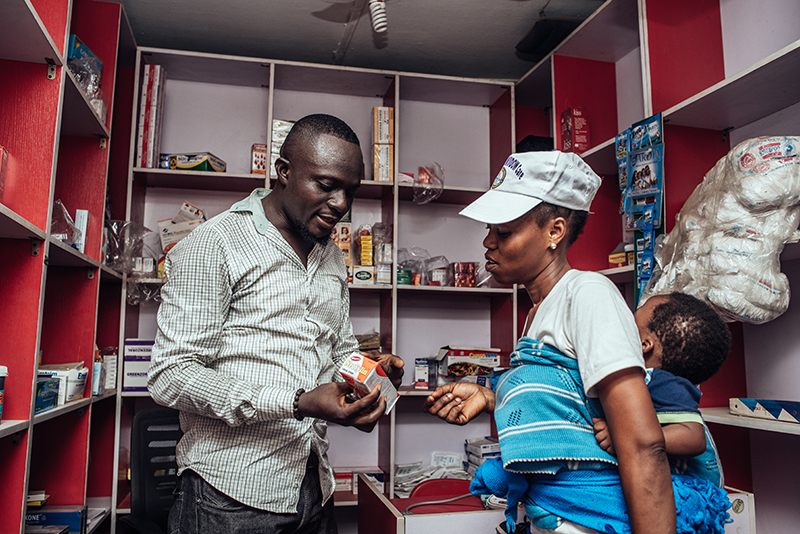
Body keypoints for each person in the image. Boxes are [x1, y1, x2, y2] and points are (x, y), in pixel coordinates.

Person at [423, 151, 728, 534]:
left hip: (591, 521)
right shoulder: (538, 312)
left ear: (555, 231)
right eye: (489, 229)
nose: (488, 242)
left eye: (504, 232)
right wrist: (491, 396)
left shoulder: (588, 294)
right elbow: (568, 402)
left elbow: (642, 444)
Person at [148, 113, 403, 534]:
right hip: (229, 499)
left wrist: (369, 376)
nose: (341, 204)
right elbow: (170, 376)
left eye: (351, 190)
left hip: (313, 485)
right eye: (326, 185)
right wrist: (297, 402)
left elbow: (337, 351)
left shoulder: (329, 253)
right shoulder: (215, 244)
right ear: (283, 171)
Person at [593, 292, 732, 487]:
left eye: (632, 320)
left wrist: (625, 437)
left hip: (694, 488)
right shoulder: (658, 381)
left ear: (644, 345)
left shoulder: (663, 382)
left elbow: (694, 437)